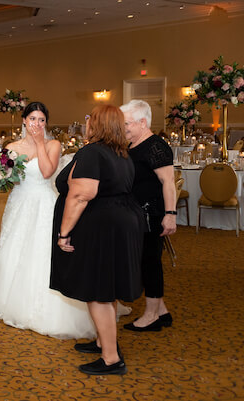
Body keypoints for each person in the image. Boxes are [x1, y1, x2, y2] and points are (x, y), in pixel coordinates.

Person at [0, 101, 97, 339]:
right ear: (24, 120)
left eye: (42, 120)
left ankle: (48, 310)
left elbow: (47, 172)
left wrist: (38, 144)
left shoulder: (53, 144)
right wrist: (0, 174)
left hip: (43, 202)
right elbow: (10, 180)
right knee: (14, 250)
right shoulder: (12, 146)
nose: (37, 124)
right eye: (33, 119)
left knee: (42, 253)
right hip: (19, 204)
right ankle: (10, 303)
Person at [51, 104, 144, 375]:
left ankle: (111, 358)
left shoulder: (93, 152)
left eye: (89, 117)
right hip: (118, 222)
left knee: (98, 292)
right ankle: (105, 341)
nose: (86, 120)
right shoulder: (120, 152)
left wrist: (64, 232)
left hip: (102, 227)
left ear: (98, 124)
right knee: (106, 287)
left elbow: (81, 195)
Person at [120, 99, 176, 332]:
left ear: (143, 122)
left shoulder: (156, 146)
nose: (124, 128)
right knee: (144, 261)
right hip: (137, 214)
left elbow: (168, 182)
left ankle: (151, 316)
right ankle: (161, 311)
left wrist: (170, 214)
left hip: (151, 214)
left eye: (127, 124)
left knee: (150, 264)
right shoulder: (134, 145)